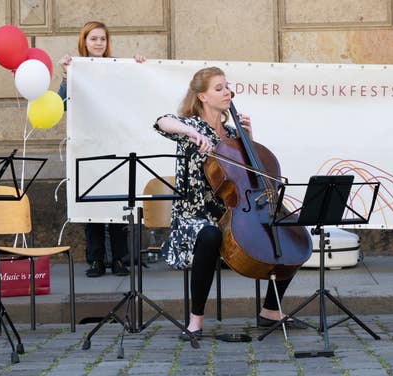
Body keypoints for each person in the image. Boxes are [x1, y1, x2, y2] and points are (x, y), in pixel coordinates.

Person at [154, 67, 306, 340]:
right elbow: (162, 121)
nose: (227, 92)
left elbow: (248, 177)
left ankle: (271, 310)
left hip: (234, 212)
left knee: (288, 231)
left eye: (227, 87)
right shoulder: (189, 127)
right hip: (196, 216)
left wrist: (248, 139)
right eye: (219, 88)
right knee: (210, 235)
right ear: (202, 96)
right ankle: (195, 321)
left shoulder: (232, 132)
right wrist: (190, 131)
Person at [56, 21, 145, 277]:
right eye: (93, 38)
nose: (98, 43)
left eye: (102, 39)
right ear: (84, 41)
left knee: (117, 204)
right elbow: (61, 104)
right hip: (87, 148)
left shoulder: (117, 68)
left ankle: (119, 259)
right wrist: (65, 75)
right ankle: (96, 260)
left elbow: (138, 90)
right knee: (90, 204)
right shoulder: (75, 68)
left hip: (116, 145)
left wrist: (140, 66)